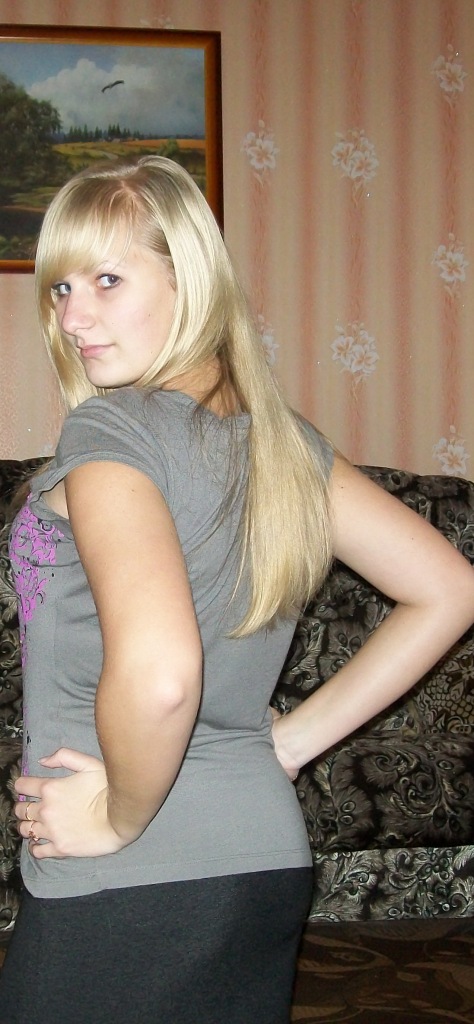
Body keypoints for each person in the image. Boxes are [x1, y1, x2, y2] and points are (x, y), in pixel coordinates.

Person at [1, 155, 473, 1024]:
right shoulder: (283, 444)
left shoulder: (110, 431)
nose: (72, 317)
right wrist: (285, 746)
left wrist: (117, 818)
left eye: (107, 279)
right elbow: (450, 588)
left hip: (123, 877)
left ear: (189, 279)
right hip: (260, 862)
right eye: (61, 287)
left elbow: (162, 676)